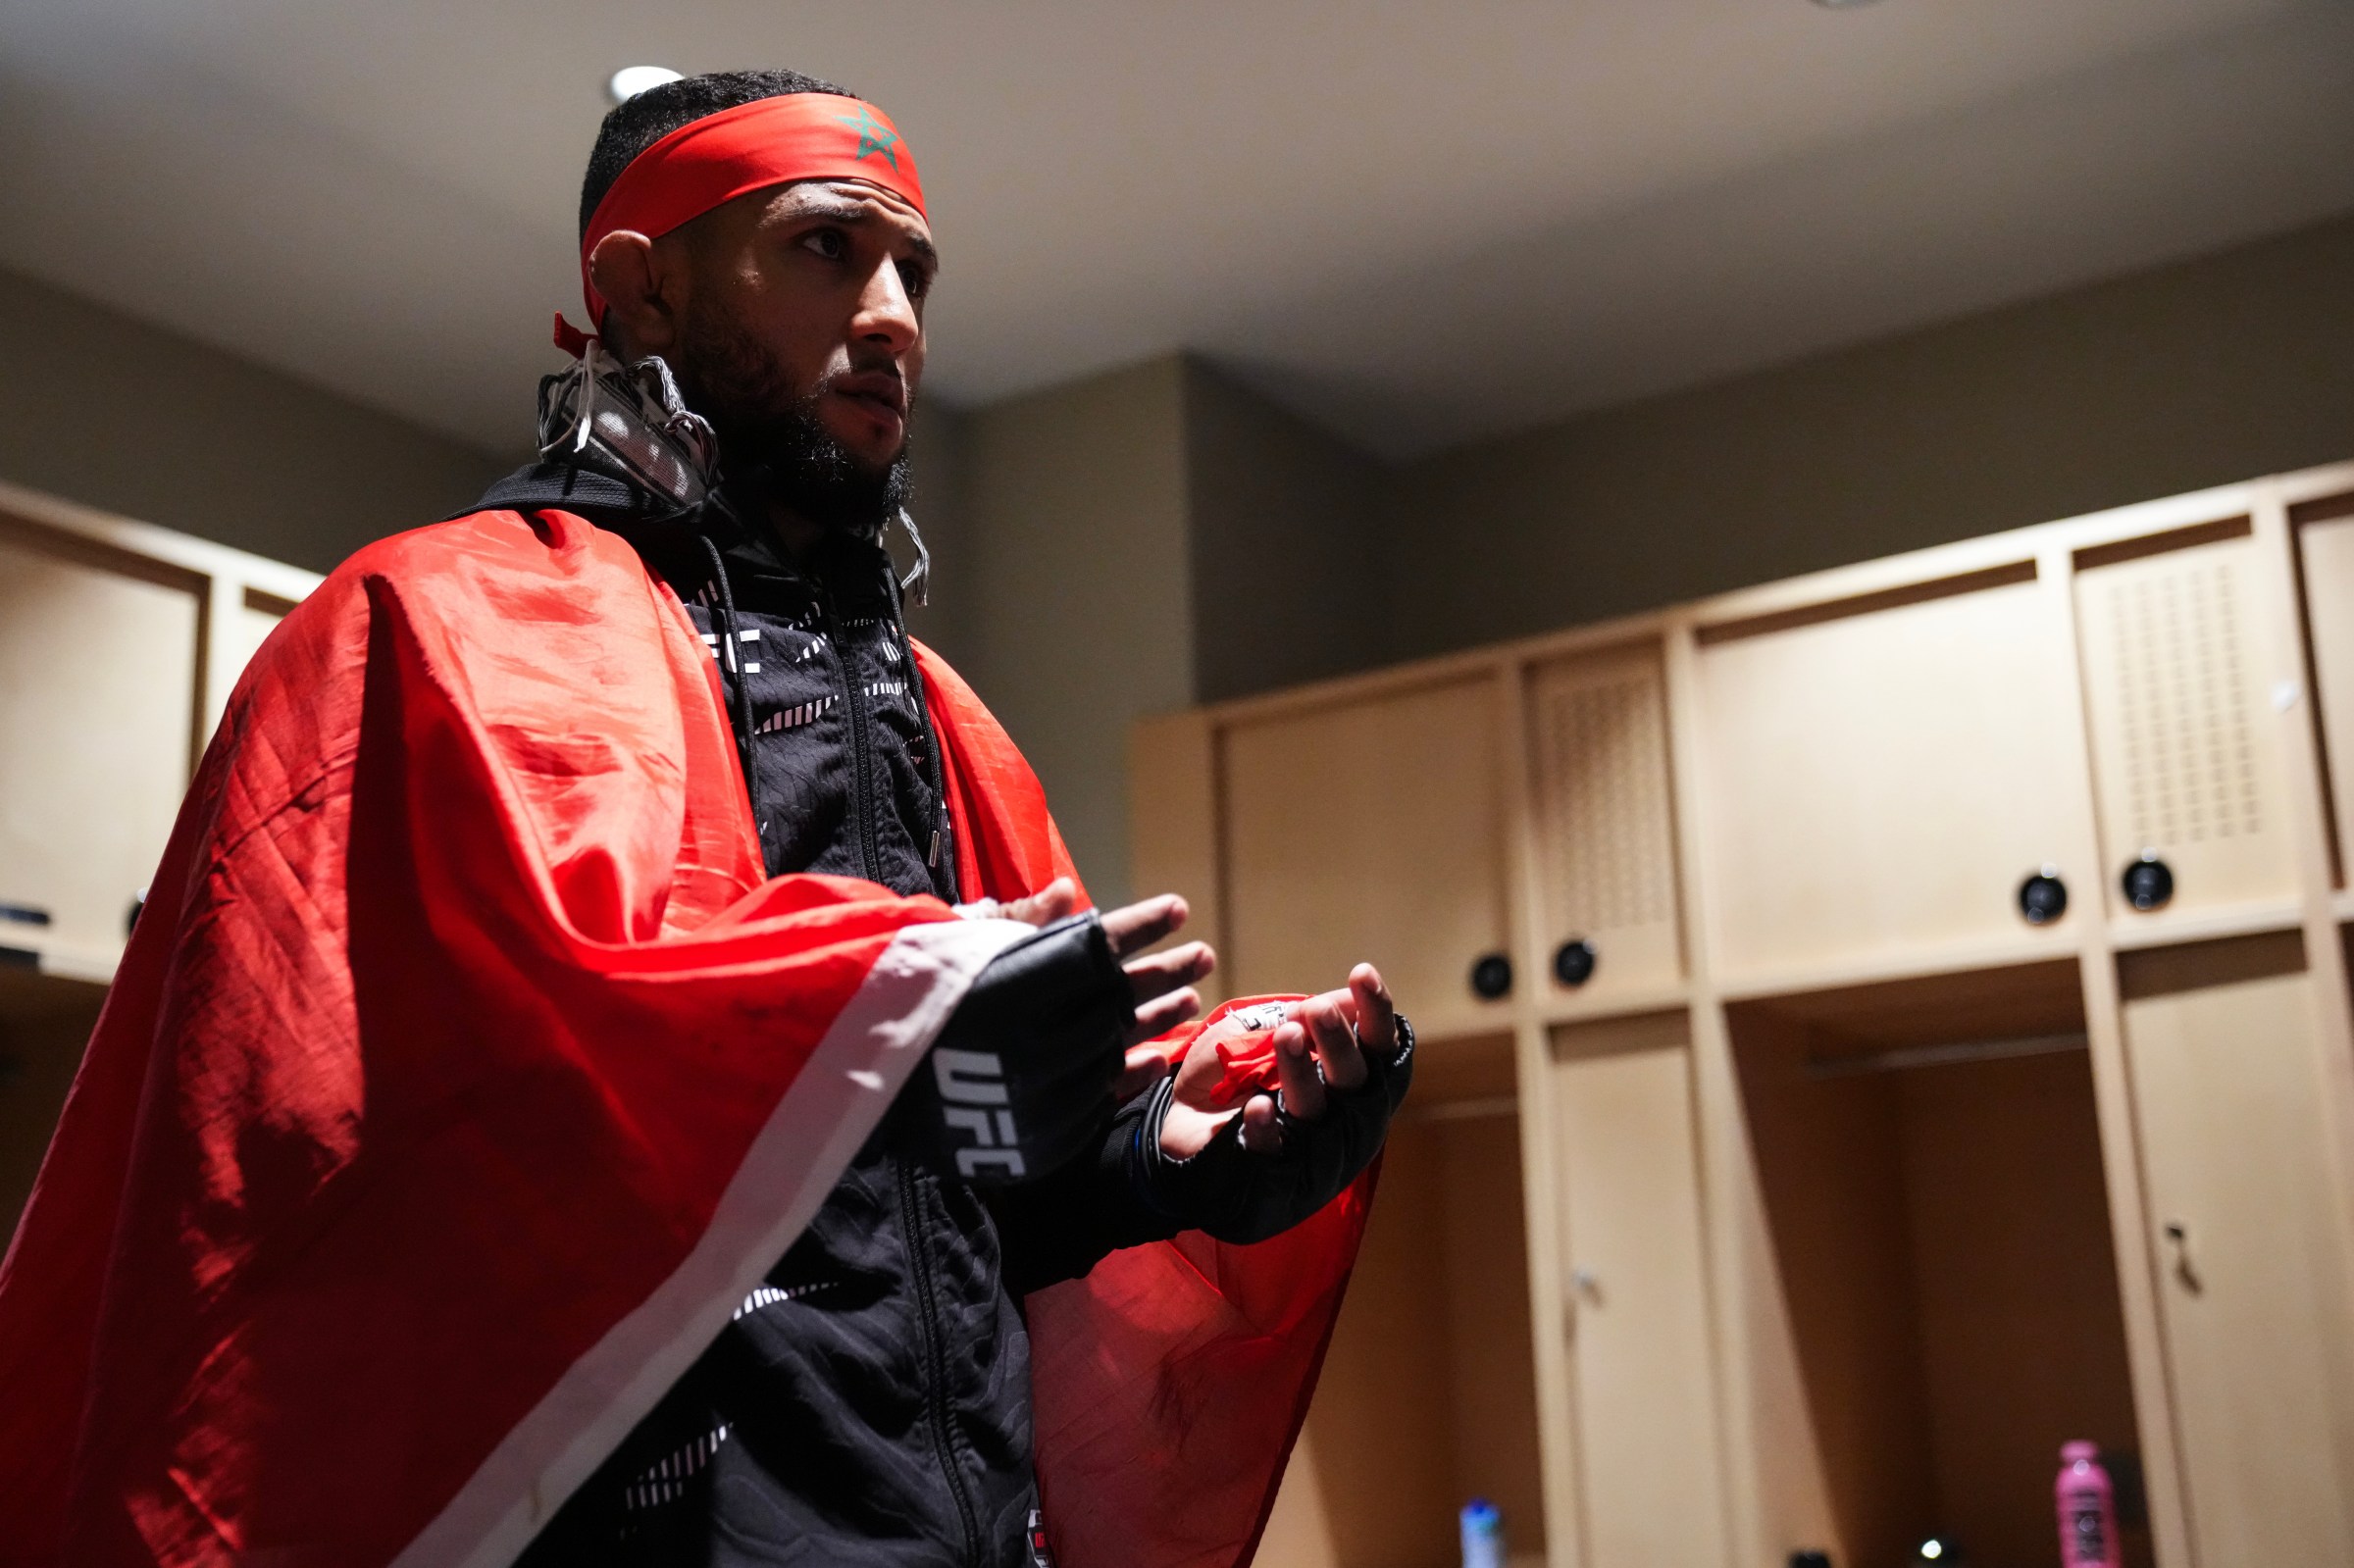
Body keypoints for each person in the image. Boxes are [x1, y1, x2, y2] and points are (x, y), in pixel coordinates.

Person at [0, 68, 1410, 1568]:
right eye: (825, 249)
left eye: (915, 271)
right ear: (641, 293)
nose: (896, 319)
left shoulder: (943, 722)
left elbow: (956, 1207)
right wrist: (889, 1023)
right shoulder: (420, 630)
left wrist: (1164, 1161)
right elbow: (373, 1174)